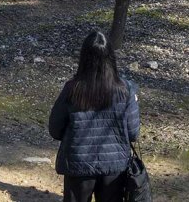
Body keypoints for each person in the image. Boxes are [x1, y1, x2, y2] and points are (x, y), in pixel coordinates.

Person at [49, 31, 141, 202]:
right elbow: (133, 133)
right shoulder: (126, 90)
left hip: (78, 164)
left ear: (83, 58)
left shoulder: (72, 88)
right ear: (111, 58)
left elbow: (55, 129)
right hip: (114, 167)